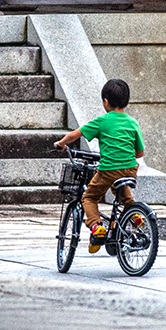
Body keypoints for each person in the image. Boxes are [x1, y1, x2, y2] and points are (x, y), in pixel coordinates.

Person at [53, 77, 145, 254]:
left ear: (106, 101)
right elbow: (140, 152)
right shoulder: (133, 123)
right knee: (123, 194)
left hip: (109, 169)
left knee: (89, 197)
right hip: (130, 169)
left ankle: (96, 226)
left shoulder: (102, 121)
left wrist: (61, 143)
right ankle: (134, 215)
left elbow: (76, 134)